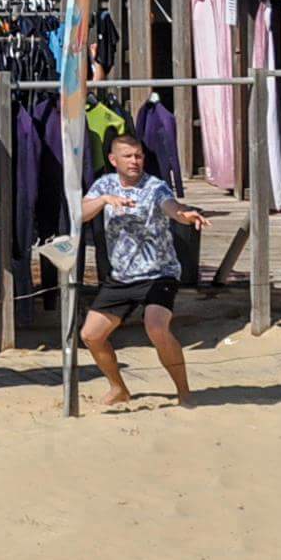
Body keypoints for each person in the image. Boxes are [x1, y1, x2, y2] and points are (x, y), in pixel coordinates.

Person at [77, 132, 209, 407]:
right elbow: (79, 213)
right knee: (91, 335)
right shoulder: (105, 185)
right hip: (122, 276)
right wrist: (104, 201)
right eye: (128, 156)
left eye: (138, 156)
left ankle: (184, 392)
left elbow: (172, 207)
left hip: (159, 273)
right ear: (114, 160)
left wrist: (186, 215)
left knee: (156, 327)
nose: (134, 161)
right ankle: (118, 387)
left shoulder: (155, 186)